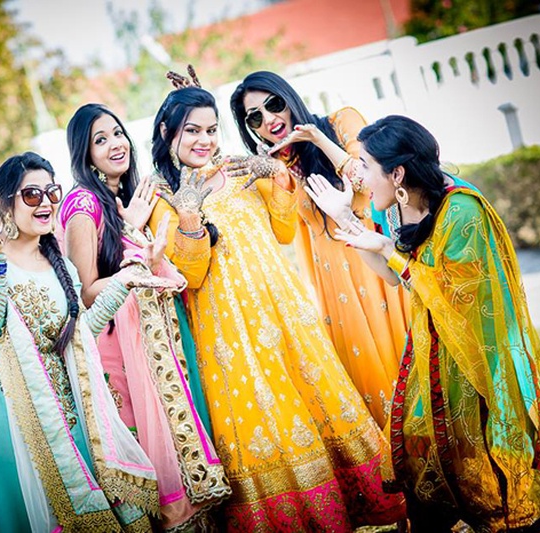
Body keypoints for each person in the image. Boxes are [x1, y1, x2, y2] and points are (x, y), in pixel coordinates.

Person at [146, 78, 406, 531]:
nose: (204, 140)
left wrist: (275, 175)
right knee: (266, 422)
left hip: (284, 313)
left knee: (317, 403)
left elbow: (284, 229)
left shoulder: (241, 169)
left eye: (211, 129)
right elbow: (190, 275)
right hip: (229, 332)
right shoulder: (163, 197)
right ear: (169, 133)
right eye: (192, 131)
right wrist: (189, 215)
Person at [304, 115, 540, 532]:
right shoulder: (402, 203)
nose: (362, 178)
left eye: (367, 166)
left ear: (398, 172)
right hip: (433, 350)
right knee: (426, 459)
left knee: (486, 471)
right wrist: (346, 221)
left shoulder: (462, 210)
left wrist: (389, 250)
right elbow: (394, 273)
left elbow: (458, 297)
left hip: (478, 358)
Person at [0, 151, 176, 532]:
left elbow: (81, 334)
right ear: (5, 201)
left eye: (52, 192)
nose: (46, 203)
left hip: (72, 408)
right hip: (17, 416)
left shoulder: (60, 265)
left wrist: (126, 280)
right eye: (32, 195)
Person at [59, 104, 230, 530]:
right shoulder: (84, 205)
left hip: (155, 340)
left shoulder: (129, 195)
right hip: (119, 349)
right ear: (84, 153)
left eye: (117, 134)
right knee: (150, 453)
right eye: (100, 140)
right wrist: (133, 244)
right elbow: (85, 292)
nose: (115, 144)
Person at [228, 71, 408, 429]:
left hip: (379, 255)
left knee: (406, 355)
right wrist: (275, 173)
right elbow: (270, 227)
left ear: (289, 97)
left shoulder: (342, 122)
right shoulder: (275, 167)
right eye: (255, 117)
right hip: (334, 283)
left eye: (274, 105)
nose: (270, 119)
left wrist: (317, 139)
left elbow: (367, 181)